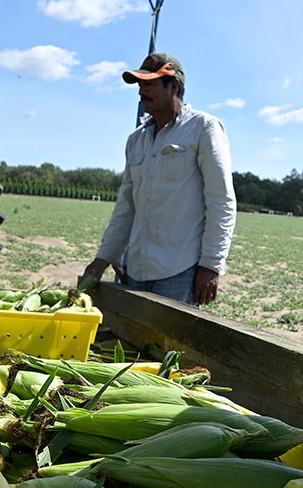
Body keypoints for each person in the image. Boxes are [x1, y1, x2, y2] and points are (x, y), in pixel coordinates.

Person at [82, 52, 237, 306]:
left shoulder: (204, 129)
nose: (141, 91)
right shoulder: (136, 140)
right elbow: (126, 207)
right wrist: (103, 259)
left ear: (174, 85)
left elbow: (221, 201)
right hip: (136, 269)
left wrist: (211, 265)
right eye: (140, 85)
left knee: (169, 344)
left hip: (180, 271)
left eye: (149, 84)